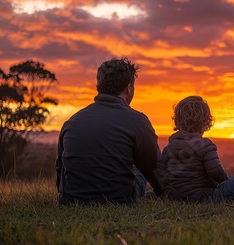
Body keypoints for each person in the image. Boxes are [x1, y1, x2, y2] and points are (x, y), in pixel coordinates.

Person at [56, 58, 162, 205]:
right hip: (117, 199)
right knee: (138, 170)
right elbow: (155, 169)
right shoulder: (137, 121)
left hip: (71, 200)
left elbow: (60, 169)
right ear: (128, 88)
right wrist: (163, 190)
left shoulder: (72, 122)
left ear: (98, 86)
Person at [158, 96, 234, 203]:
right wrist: (225, 183)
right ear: (205, 123)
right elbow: (216, 171)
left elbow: (160, 174)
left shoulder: (169, 148)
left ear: (177, 121)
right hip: (203, 199)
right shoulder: (205, 145)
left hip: (175, 198)